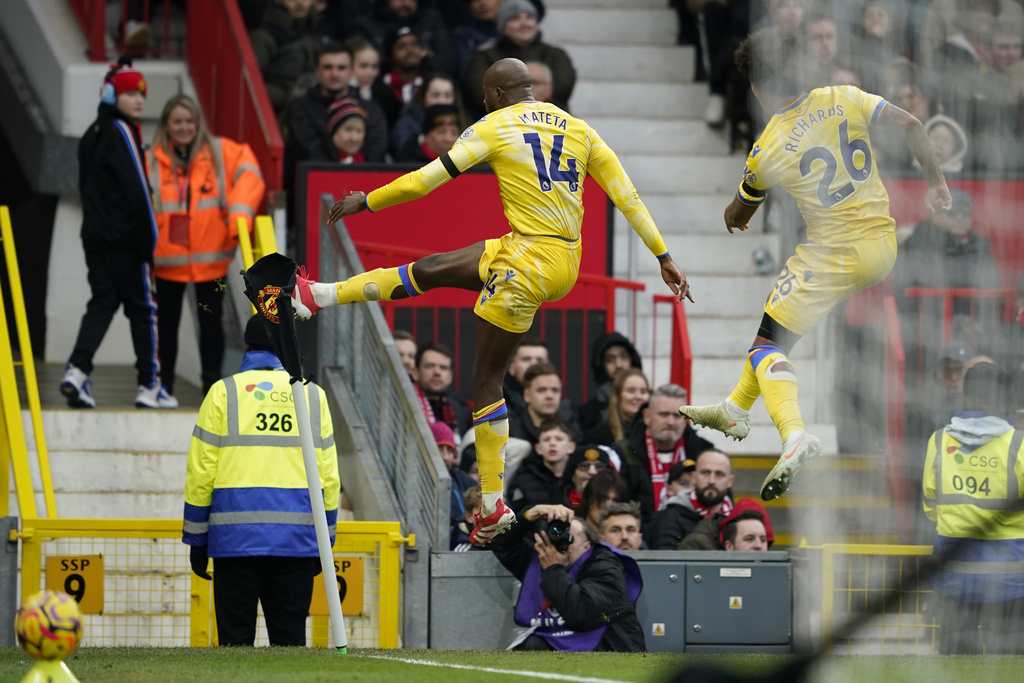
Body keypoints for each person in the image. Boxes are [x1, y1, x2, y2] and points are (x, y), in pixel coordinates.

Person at [297, 58, 690, 546]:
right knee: (434, 268)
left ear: (498, 94)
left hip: (527, 265)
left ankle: (491, 504)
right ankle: (318, 295)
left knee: (485, 381)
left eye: (486, 95)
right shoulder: (580, 129)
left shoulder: (496, 124)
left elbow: (424, 181)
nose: (483, 102)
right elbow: (626, 195)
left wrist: (369, 201)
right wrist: (663, 255)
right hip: (551, 254)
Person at [679, 27, 951, 502]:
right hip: (883, 246)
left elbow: (740, 213)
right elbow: (911, 123)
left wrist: (733, 212)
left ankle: (793, 436)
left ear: (757, 86)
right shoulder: (844, 95)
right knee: (772, 331)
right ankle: (735, 408)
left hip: (832, 255)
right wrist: (936, 183)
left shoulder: (767, 148)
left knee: (768, 348)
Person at [182, 313, 341, 646]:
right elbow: (328, 476)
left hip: (234, 541)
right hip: (296, 542)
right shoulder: (313, 396)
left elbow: (201, 474)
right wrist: (323, 543)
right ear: (288, 346)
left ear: (246, 346)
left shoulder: (222, 393)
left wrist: (197, 541)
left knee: (235, 646)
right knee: (290, 646)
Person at [61, 58, 175, 410]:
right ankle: (149, 385)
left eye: (142, 94)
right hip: (127, 242)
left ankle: (77, 371)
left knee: (101, 305)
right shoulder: (122, 132)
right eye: (130, 94)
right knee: (144, 311)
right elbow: (139, 190)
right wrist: (149, 241)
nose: (139, 101)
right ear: (111, 95)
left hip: (95, 239)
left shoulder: (91, 135)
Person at [149, 94, 265, 397]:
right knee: (166, 328)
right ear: (166, 125)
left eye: (190, 121)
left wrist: (240, 211)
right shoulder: (150, 158)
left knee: (211, 327)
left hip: (212, 260)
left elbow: (251, 173)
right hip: (165, 261)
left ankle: (211, 389)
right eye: (177, 121)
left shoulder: (220, 152)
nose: (185, 127)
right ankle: (164, 386)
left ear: (198, 123)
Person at [922, 362, 1024, 654]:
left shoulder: (939, 440)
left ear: (965, 393)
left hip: (954, 573)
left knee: (955, 663)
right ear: (1004, 396)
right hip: (1011, 578)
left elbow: (931, 504)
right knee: (1010, 665)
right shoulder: (1019, 444)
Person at [489, 503, 645, 652]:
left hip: (609, 646)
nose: (563, 541)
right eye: (557, 534)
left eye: (570, 537)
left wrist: (552, 569)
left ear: (587, 546)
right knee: (530, 646)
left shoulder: (605, 564)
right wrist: (528, 515)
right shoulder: (542, 558)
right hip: (564, 642)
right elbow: (501, 543)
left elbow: (582, 613)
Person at [283, 42, 388, 176]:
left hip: (363, 183)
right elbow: (307, 149)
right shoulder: (300, 107)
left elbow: (377, 150)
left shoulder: (370, 108)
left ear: (351, 71)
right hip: (315, 182)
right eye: (328, 67)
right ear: (317, 71)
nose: (335, 74)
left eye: (341, 68)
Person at [463, 0, 576, 120]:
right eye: (515, 18)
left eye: (529, 17)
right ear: (503, 24)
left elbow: (564, 84)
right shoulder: (484, 56)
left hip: (553, 120)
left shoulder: (555, 54)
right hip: (502, 123)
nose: (524, 23)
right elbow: (482, 92)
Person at [615, 384, 713, 516]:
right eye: (664, 414)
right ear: (647, 416)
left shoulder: (703, 453)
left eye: (677, 416)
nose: (671, 422)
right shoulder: (623, 453)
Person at [654, 448, 734, 550]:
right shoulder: (671, 516)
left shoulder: (736, 518)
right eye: (705, 472)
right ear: (693, 477)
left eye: (719, 474)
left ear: (730, 481)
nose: (711, 480)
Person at [578, 332, 643, 436]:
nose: (618, 365)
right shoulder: (588, 413)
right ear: (601, 365)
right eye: (610, 359)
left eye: (624, 357)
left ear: (633, 360)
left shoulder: (648, 403)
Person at [508, 417, 575, 512]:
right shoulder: (524, 477)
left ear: (571, 447)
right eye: (546, 440)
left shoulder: (579, 476)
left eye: (559, 439)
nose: (552, 443)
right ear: (538, 448)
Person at [391, 73, 464, 156]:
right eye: (435, 95)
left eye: (447, 95)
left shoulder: (463, 121)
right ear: (424, 97)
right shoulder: (408, 123)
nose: (442, 101)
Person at [414, 342, 472, 440]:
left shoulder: (461, 411)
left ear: (450, 377)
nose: (437, 372)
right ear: (415, 372)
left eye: (443, 368)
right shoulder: (405, 403)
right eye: (429, 366)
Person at [509, 362, 576, 446]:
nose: (549, 396)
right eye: (541, 390)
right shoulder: (510, 432)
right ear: (527, 395)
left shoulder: (572, 430)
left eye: (555, 390)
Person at [435, 421, 477, 550]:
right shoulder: (423, 483)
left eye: (449, 450)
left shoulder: (462, 478)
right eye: (439, 449)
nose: (445, 457)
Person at [583, 368, 650, 446]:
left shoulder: (655, 432)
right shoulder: (600, 435)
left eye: (643, 392)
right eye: (631, 391)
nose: (638, 396)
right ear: (617, 396)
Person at [679, 497, 773, 551]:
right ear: (729, 546)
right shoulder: (696, 544)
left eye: (763, 540)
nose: (758, 545)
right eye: (749, 539)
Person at [396, 103, 463, 163]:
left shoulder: (466, 164)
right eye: (440, 132)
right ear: (425, 136)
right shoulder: (408, 162)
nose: (448, 139)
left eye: (454, 133)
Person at [578, 469, 631, 536]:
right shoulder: (572, 535)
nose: (609, 506)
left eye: (616, 501)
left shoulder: (629, 542)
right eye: (603, 499)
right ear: (588, 500)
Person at [503, 337, 550, 413]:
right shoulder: (497, 406)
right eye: (526, 359)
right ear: (511, 368)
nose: (533, 364)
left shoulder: (566, 409)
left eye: (540, 360)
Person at [327, 98, 368, 164]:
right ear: (334, 134)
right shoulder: (319, 161)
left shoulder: (368, 161)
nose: (353, 138)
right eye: (348, 130)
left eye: (359, 131)